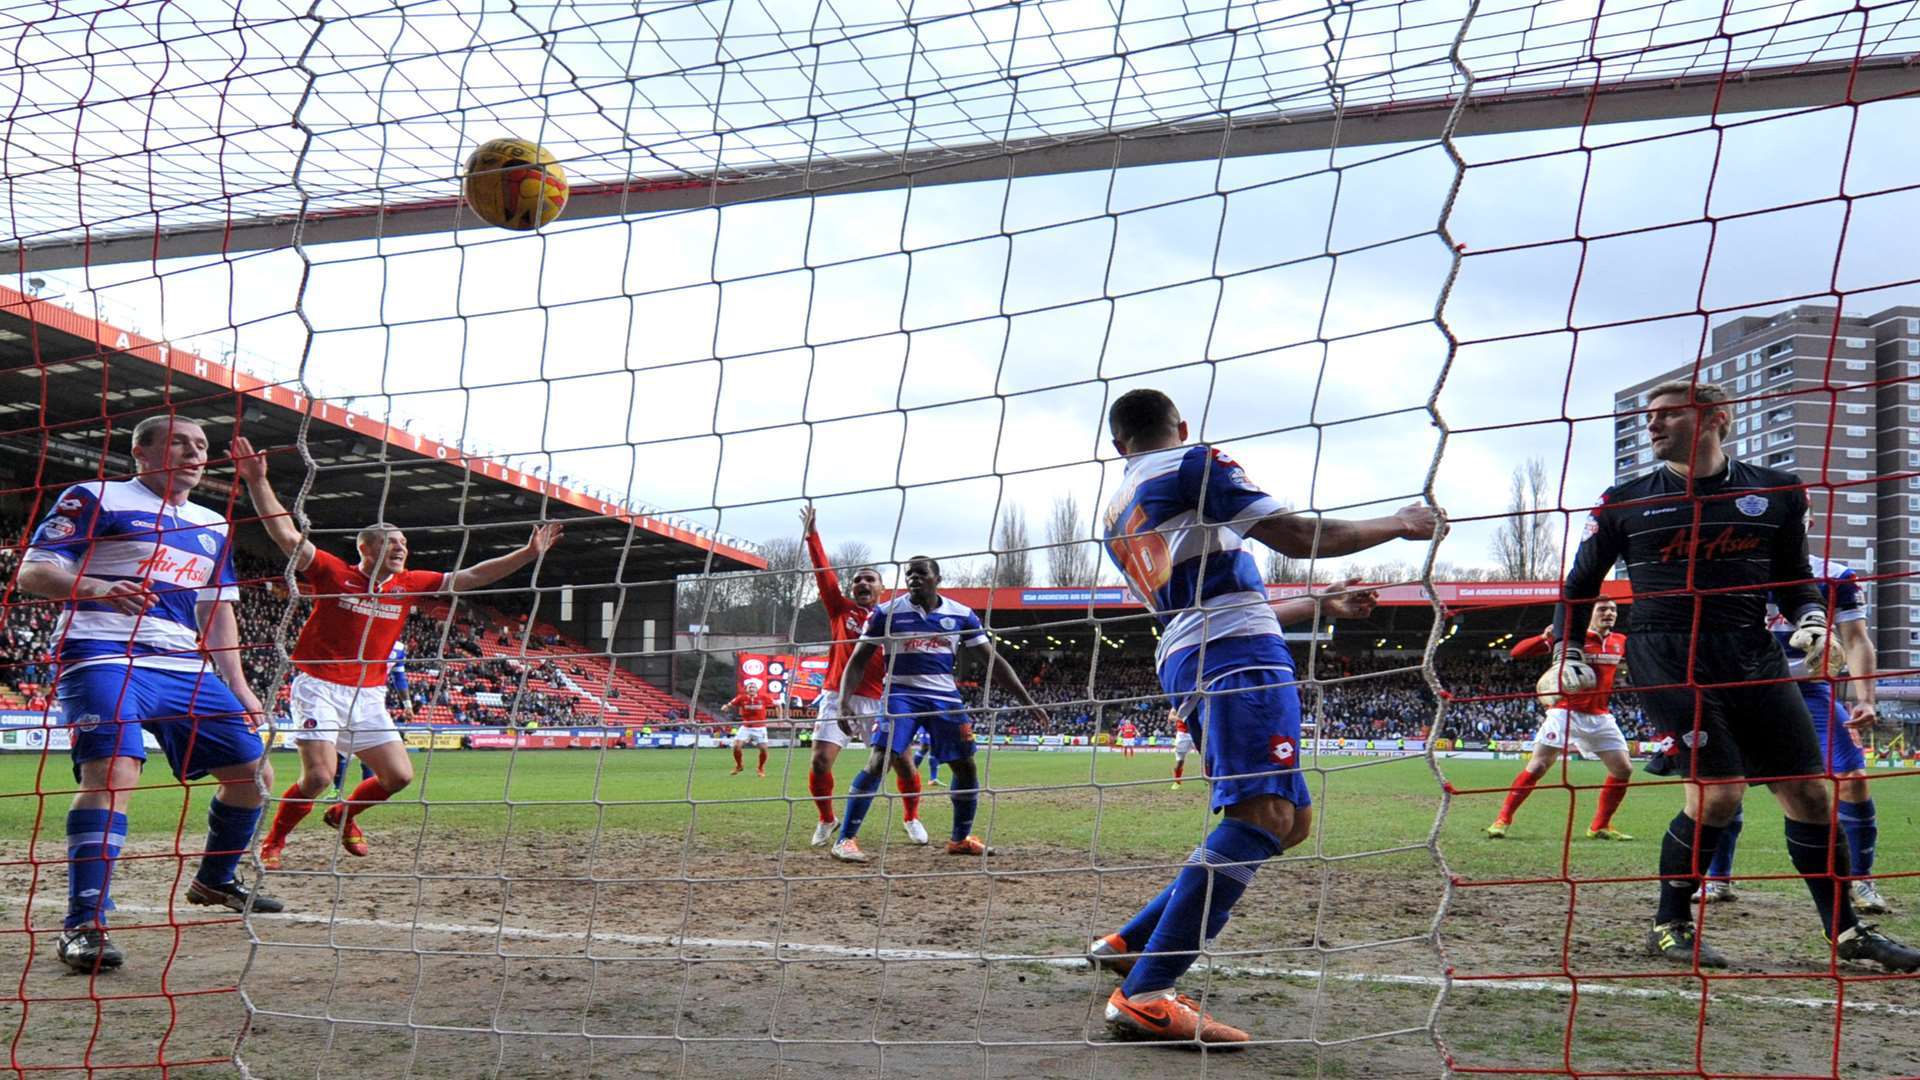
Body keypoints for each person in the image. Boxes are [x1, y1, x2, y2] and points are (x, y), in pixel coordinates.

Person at [1086, 388, 1436, 1043]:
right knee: (1264, 816)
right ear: (1182, 427)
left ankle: (1128, 944)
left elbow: (1215, 600)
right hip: (1234, 656)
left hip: (1196, 651)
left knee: (1292, 821)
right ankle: (1146, 993)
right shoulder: (1191, 464)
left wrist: (1319, 606)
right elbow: (1300, 535)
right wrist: (1398, 524)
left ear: (1117, 446)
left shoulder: (1117, 509)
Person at [1554, 378, 1916, 971]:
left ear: (1718, 417)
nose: (1653, 426)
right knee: (1719, 794)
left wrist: (1809, 617)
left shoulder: (1776, 493)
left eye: (1668, 415)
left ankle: (1849, 934)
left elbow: (1794, 575)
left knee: (1809, 794)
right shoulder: (1624, 500)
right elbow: (1578, 586)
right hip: (1668, 655)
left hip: (1754, 656)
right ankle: (1669, 925)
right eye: (1651, 417)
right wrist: (1567, 649)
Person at [14, 415, 283, 974]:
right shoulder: (95, 496)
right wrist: (98, 587)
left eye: (201, 446)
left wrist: (238, 684)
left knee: (254, 775)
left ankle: (215, 880)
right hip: (103, 652)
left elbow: (216, 610)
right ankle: (84, 926)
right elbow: (34, 573)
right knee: (114, 774)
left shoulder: (213, 524)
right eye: (180, 442)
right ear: (141, 451)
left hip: (183, 664)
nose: (193, 453)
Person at [232, 435, 563, 869]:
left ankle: (345, 813)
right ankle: (274, 841)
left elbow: (473, 576)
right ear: (365, 549)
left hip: (368, 694)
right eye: (391, 543)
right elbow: (284, 533)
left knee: (399, 776)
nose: (401, 548)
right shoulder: (332, 572)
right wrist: (257, 481)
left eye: (404, 544)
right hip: (319, 687)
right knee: (318, 776)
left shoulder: (412, 583)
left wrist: (526, 554)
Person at [1701, 529, 1887, 910]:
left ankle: (1860, 882)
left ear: (1807, 520)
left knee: (1853, 780)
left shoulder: (1836, 576)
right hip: (1741, 689)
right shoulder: (1726, 572)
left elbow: (1856, 639)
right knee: (1723, 786)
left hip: (1808, 691)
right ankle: (1717, 879)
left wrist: (1866, 698)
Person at [826, 556, 1046, 863]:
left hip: (945, 698)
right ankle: (845, 839)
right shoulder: (886, 613)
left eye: (920, 573)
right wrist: (843, 701)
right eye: (909, 574)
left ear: (936, 577)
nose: (913, 578)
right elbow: (859, 659)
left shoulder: (961, 615)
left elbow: (992, 661)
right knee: (880, 759)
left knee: (966, 766)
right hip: (900, 695)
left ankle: (960, 839)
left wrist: (1027, 700)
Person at [798, 507, 926, 847]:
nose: (862, 583)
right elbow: (823, 573)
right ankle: (827, 820)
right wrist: (813, 535)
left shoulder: (895, 618)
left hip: (880, 701)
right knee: (821, 761)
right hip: (837, 696)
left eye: (870, 579)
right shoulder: (840, 610)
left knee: (904, 765)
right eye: (857, 579)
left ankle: (911, 817)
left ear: (883, 588)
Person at [1485, 598, 1634, 841]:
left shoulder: (1620, 642)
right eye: (1603, 609)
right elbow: (1517, 653)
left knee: (1623, 769)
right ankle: (1502, 820)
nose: (1609, 613)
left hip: (1600, 716)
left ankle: (1600, 826)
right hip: (1565, 712)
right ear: (1590, 614)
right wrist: (1544, 638)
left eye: (1614, 610)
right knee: (1539, 766)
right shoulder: (1571, 639)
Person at [724, 677, 777, 776]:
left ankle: (760, 768)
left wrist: (781, 718)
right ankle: (739, 766)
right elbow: (729, 704)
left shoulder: (764, 697)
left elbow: (778, 705)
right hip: (746, 726)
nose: (751, 689)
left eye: (753, 687)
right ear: (746, 689)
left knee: (764, 749)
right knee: (736, 746)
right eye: (749, 687)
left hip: (760, 727)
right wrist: (726, 707)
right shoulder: (741, 698)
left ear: (757, 689)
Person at [1168, 709, 1195, 790]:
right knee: (1180, 762)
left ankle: (1208, 779)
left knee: (1207, 757)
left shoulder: (1198, 699)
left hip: (1197, 731)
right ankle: (1177, 782)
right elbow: (1170, 716)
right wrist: (1182, 718)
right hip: (1183, 735)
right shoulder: (1179, 702)